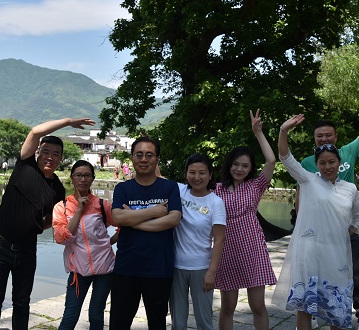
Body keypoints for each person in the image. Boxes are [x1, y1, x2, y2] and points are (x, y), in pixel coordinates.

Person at [298, 89, 359, 330]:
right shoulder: (307, 163)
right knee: (314, 275)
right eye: (319, 136)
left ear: (336, 136)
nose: (324, 139)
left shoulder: (348, 152)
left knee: (356, 275)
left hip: (345, 229)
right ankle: (315, 313)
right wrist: (300, 225)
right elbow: (301, 195)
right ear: (314, 139)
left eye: (328, 135)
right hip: (318, 232)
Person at [0, 117, 95, 330]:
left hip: (27, 249)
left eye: (56, 154)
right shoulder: (25, 165)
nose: (50, 157)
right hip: (0, 244)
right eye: (46, 152)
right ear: (37, 153)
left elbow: (52, 219)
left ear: (61, 158)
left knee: (22, 301)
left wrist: (35, 226)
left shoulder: (58, 189)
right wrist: (68, 122)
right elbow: (35, 132)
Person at [273, 114, 359, 330]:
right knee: (305, 305)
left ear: (339, 163)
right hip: (309, 252)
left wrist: (345, 233)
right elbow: (285, 157)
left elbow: (357, 217)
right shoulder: (308, 180)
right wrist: (283, 130)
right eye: (322, 163)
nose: (327, 166)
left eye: (332, 162)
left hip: (337, 254)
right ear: (317, 165)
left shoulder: (350, 189)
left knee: (337, 305)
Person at [109, 136, 182, 330]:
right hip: (126, 268)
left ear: (157, 159)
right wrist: (154, 211)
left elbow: (173, 219)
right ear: (132, 158)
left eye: (149, 155)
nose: (143, 159)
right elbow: (118, 217)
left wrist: (133, 220)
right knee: (118, 324)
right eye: (139, 154)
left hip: (159, 268)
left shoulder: (170, 187)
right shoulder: (123, 188)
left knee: (157, 324)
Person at [213, 109, 277, 330]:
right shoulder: (217, 190)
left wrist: (258, 133)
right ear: (229, 164)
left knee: (257, 305)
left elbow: (271, 160)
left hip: (253, 249)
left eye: (245, 165)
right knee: (228, 306)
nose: (239, 169)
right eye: (236, 164)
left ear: (250, 169)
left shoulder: (256, 186)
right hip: (226, 250)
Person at [52, 160, 117, 330]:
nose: (83, 179)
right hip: (78, 270)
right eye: (78, 175)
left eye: (87, 175)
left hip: (105, 269)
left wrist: (108, 243)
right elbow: (61, 238)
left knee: (96, 314)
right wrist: (79, 211)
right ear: (72, 178)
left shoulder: (102, 205)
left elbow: (122, 226)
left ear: (93, 178)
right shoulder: (62, 207)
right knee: (70, 315)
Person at [170, 153, 226, 330]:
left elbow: (219, 239)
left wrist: (212, 272)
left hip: (201, 268)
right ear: (186, 174)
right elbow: (156, 174)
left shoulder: (216, 202)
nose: (197, 177)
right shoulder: (179, 191)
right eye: (192, 172)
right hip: (176, 266)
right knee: (178, 322)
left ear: (210, 175)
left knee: (204, 321)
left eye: (202, 173)